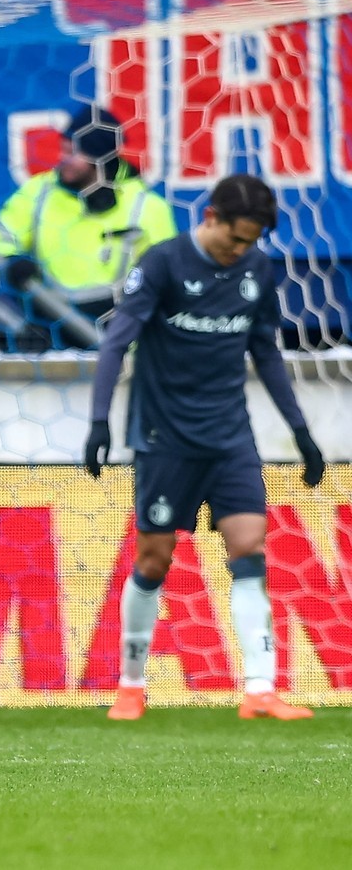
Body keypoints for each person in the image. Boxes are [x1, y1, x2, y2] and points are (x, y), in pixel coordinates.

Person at [85, 173, 325, 722]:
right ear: (210, 217)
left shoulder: (256, 270)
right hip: (163, 437)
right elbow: (117, 339)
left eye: (251, 243)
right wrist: (99, 422)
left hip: (228, 435)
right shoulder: (164, 262)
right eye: (236, 239)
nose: (241, 251)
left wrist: (301, 430)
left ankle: (260, 690)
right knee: (155, 556)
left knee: (248, 547)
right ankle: (131, 683)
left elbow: (264, 351)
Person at [0, 104, 176, 323]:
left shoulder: (148, 207)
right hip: (49, 330)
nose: (63, 158)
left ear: (100, 157)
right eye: (63, 148)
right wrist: (12, 263)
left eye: (73, 152)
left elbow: (167, 280)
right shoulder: (38, 192)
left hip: (120, 336)